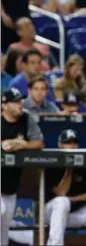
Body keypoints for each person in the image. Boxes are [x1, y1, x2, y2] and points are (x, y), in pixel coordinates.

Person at [44, 129, 86, 245]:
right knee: (62, 201)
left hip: (77, 213)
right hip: (51, 215)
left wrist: (76, 199)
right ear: (60, 145)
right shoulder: (52, 163)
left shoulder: (83, 163)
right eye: (68, 143)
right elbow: (61, 193)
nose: (72, 147)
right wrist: (69, 169)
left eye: (74, 143)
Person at [1, 88, 44, 246]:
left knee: (4, 229)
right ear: (4, 105)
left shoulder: (26, 118)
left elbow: (39, 142)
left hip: (10, 183)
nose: (20, 104)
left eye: (20, 101)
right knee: (1, 210)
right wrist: (5, 144)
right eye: (15, 102)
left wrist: (23, 145)